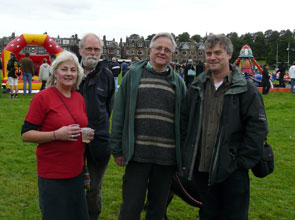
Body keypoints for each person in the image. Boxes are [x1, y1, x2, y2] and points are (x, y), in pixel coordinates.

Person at [180, 34, 268, 220]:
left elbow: (257, 128)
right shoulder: (196, 87)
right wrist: (187, 153)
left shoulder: (245, 89)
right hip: (202, 169)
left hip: (232, 172)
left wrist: (240, 162)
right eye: (209, 53)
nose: (212, 57)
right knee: (208, 214)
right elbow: (184, 123)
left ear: (229, 54)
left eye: (217, 52)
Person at [111, 32, 186, 220]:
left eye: (167, 50)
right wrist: (117, 149)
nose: (162, 52)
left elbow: (184, 122)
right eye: (158, 48)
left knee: (157, 210)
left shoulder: (179, 82)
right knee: (130, 208)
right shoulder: (133, 76)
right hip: (137, 156)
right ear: (149, 50)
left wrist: (183, 156)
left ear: (172, 54)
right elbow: (119, 114)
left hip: (166, 159)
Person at [21, 51, 94, 220]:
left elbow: (80, 124)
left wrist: (86, 135)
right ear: (55, 73)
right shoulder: (42, 98)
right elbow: (26, 134)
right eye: (64, 69)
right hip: (52, 174)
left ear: (78, 74)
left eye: (73, 70)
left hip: (76, 172)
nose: (69, 73)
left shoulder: (78, 98)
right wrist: (56, 135)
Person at [78, 33, 115, 220]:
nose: (93, 53)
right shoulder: (69, 72)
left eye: (96, 49)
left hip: (99, 139)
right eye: (89, 49)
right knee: (72, 184)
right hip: (71, 139)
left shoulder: (107, 75)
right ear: (80, 50)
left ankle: (92, 216)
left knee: (93, 187)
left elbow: (109, 105)